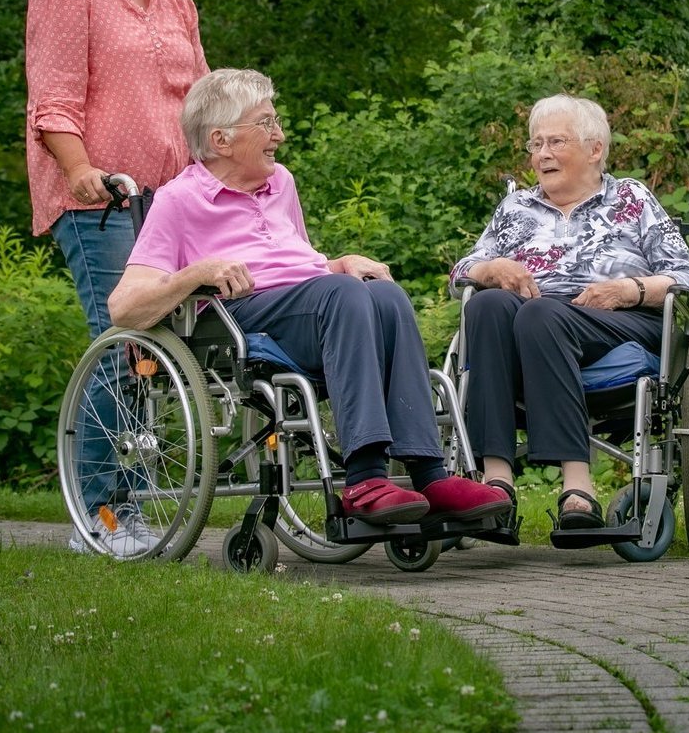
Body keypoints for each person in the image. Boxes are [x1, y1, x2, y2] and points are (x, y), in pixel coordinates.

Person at [108, 68, 509, 532]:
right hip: (243, 320)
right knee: (343, 295)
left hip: (318, 305)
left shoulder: (281, 183)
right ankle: (364, 477)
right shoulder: (180, 200)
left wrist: (337, 263)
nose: (278, 134)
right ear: (220, 139)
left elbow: (296, 263)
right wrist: (200, 271)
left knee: (385, 293)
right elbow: (126, 307)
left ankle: (429, 475)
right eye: (266, 123)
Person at [26, 0, 210, 556]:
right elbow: (53, 94)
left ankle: (136, 494)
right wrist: (79, 170)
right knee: (123, 344)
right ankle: (101, 515)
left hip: (174, 198)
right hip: (102, 201)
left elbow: (198, 92)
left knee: (164, 356)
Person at [451, 95, 689, 531]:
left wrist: (630, 289)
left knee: (540, 315)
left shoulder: (631, 197)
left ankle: (577, 485)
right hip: (531, 322)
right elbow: (462, 273)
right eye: (535, 144)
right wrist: (490, 268)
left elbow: (687, 278)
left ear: (594, 149)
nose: (542, 154)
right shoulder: (516, 208)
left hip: (616, 319)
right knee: (489, 303)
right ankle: (496, 481)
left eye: (556, 142)